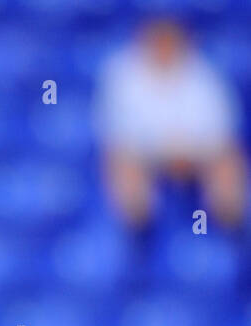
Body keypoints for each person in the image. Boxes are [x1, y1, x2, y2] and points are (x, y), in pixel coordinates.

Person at [95, 18, 247, 231]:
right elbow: (115, 127)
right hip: (142, 152)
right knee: (121, 163)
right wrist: (162, 146)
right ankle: (137, 235)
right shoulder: (123, 73)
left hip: (197, 150)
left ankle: (233, 230)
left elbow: (220, 124)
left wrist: (188, 148)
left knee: (228, 162)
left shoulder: (203, 72)